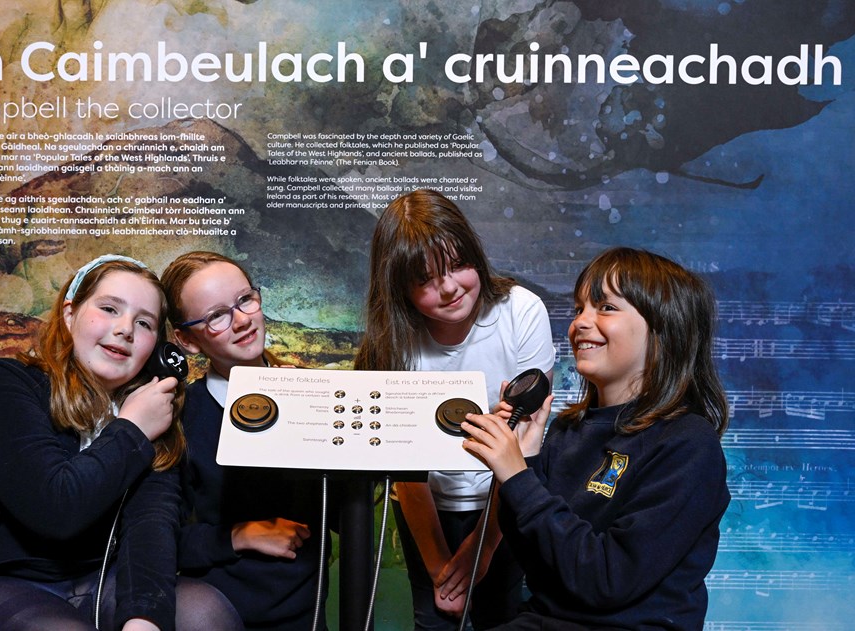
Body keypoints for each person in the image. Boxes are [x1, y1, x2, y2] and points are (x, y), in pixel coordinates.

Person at [0, 254, 243, 631]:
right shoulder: (4, 385)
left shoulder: (150, 410)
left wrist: (145, 619)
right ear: (70, 314)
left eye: (144, 323)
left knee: (204, 613)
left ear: (156, 348)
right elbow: (56, 508)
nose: (125, 329)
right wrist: (132, 428)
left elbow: (150, 523)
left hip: (90, 581)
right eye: (109, 309)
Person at [460, 246, 731, 630]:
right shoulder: (567, 430)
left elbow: (607, 581)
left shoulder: (687, 445)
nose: (581, 322)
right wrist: (528, 458)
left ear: (663, 328)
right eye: (578, 309)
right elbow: (536, 565)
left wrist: (520, 477)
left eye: (605, 307)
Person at [353, 189, 556, 629]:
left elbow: (524, 443)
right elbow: (405, 470)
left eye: (457, 266)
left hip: (510, 500)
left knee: (503, 617)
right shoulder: (390, 345)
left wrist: (481, 550)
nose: (448, 288)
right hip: (425, 505)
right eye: (425, 280)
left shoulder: (521, 312)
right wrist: (439, 565)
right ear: (399, 287)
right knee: (434, 618)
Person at [161, 251, 328, 631]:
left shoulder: (313, 392)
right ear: (187, 339)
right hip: (217, 611)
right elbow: (157, 539)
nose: (241, 320)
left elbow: (339, 511)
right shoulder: (182, 418)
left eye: (244, 300)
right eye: (217, 315)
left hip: (307, 611)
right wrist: (240, 535)